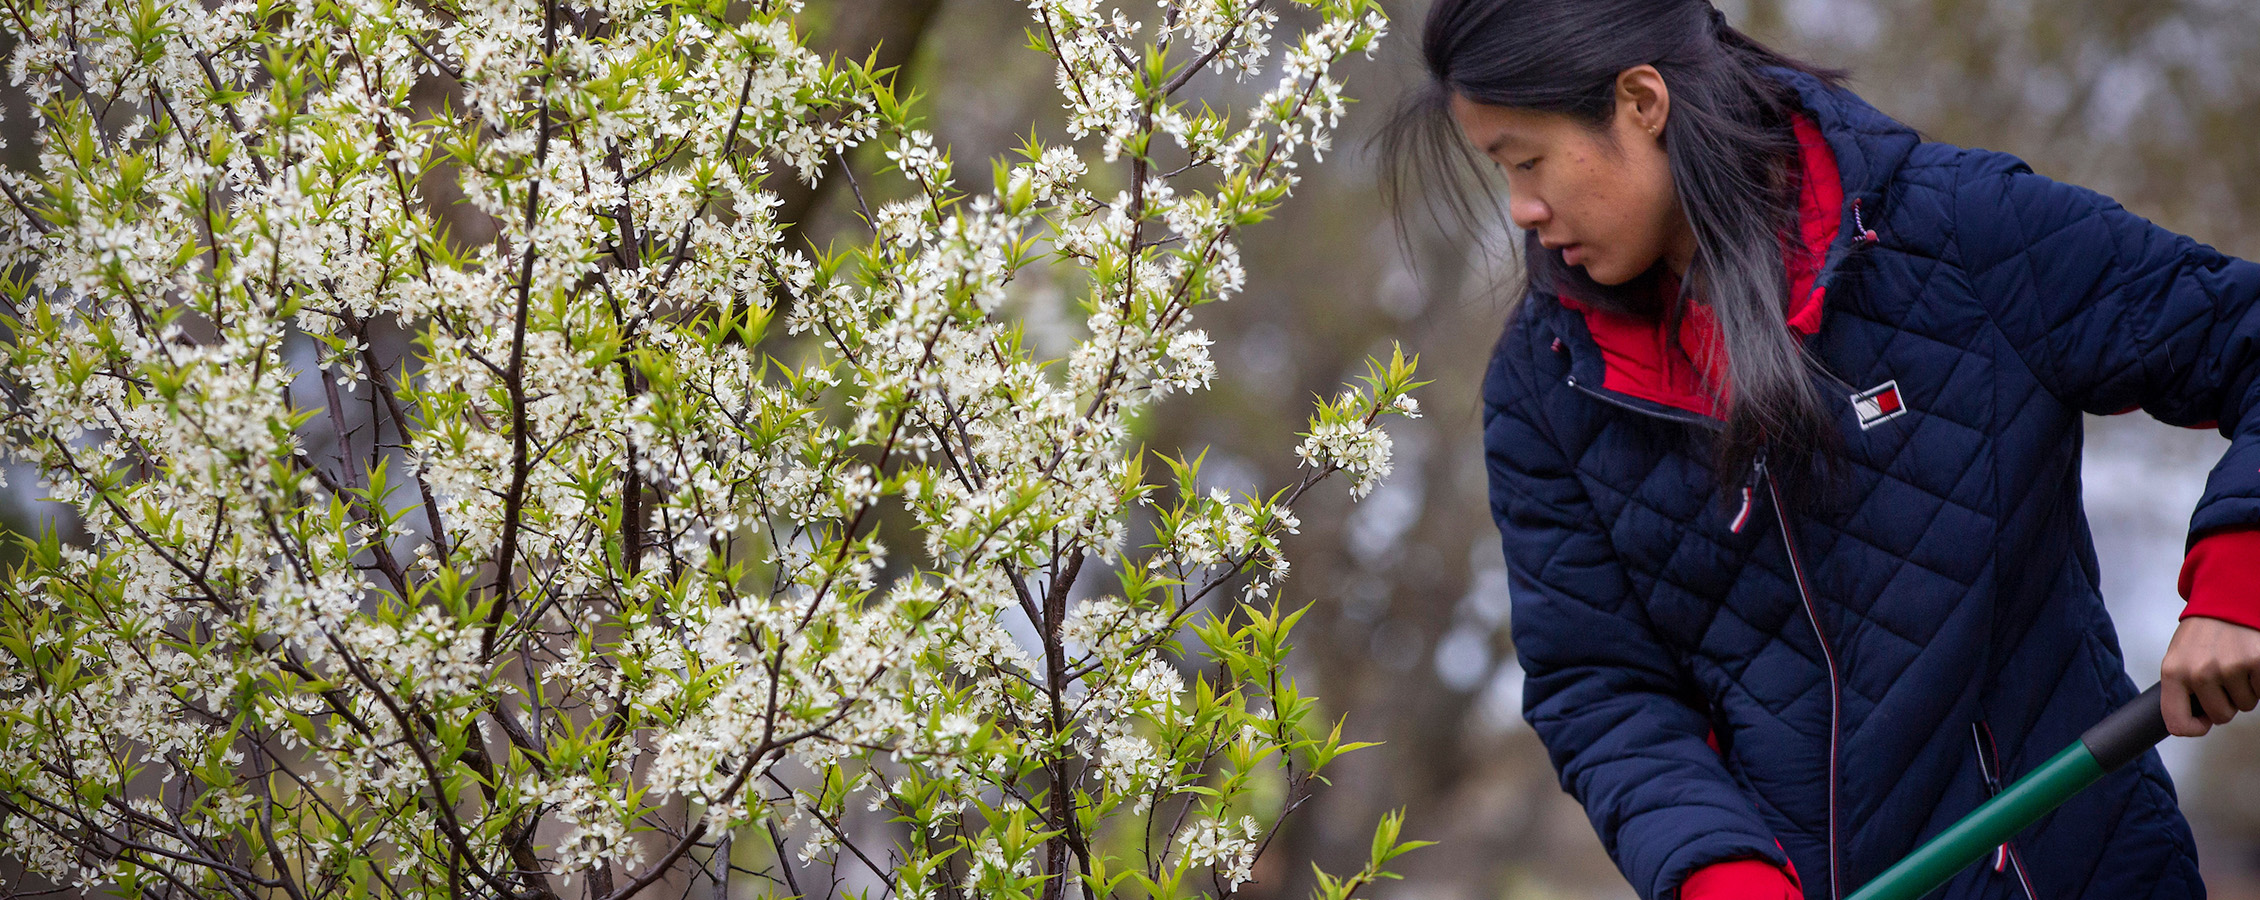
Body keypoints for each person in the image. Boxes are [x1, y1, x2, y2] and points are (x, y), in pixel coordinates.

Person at [1381, 1, 2260, 898]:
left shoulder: (1961, 231)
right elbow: (1599, 686)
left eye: (1528, 162)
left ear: (1642, 101)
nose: (1524, 210)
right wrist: (1721, 876)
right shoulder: (1544, 386)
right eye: (1503, 173)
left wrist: (2237, 579)